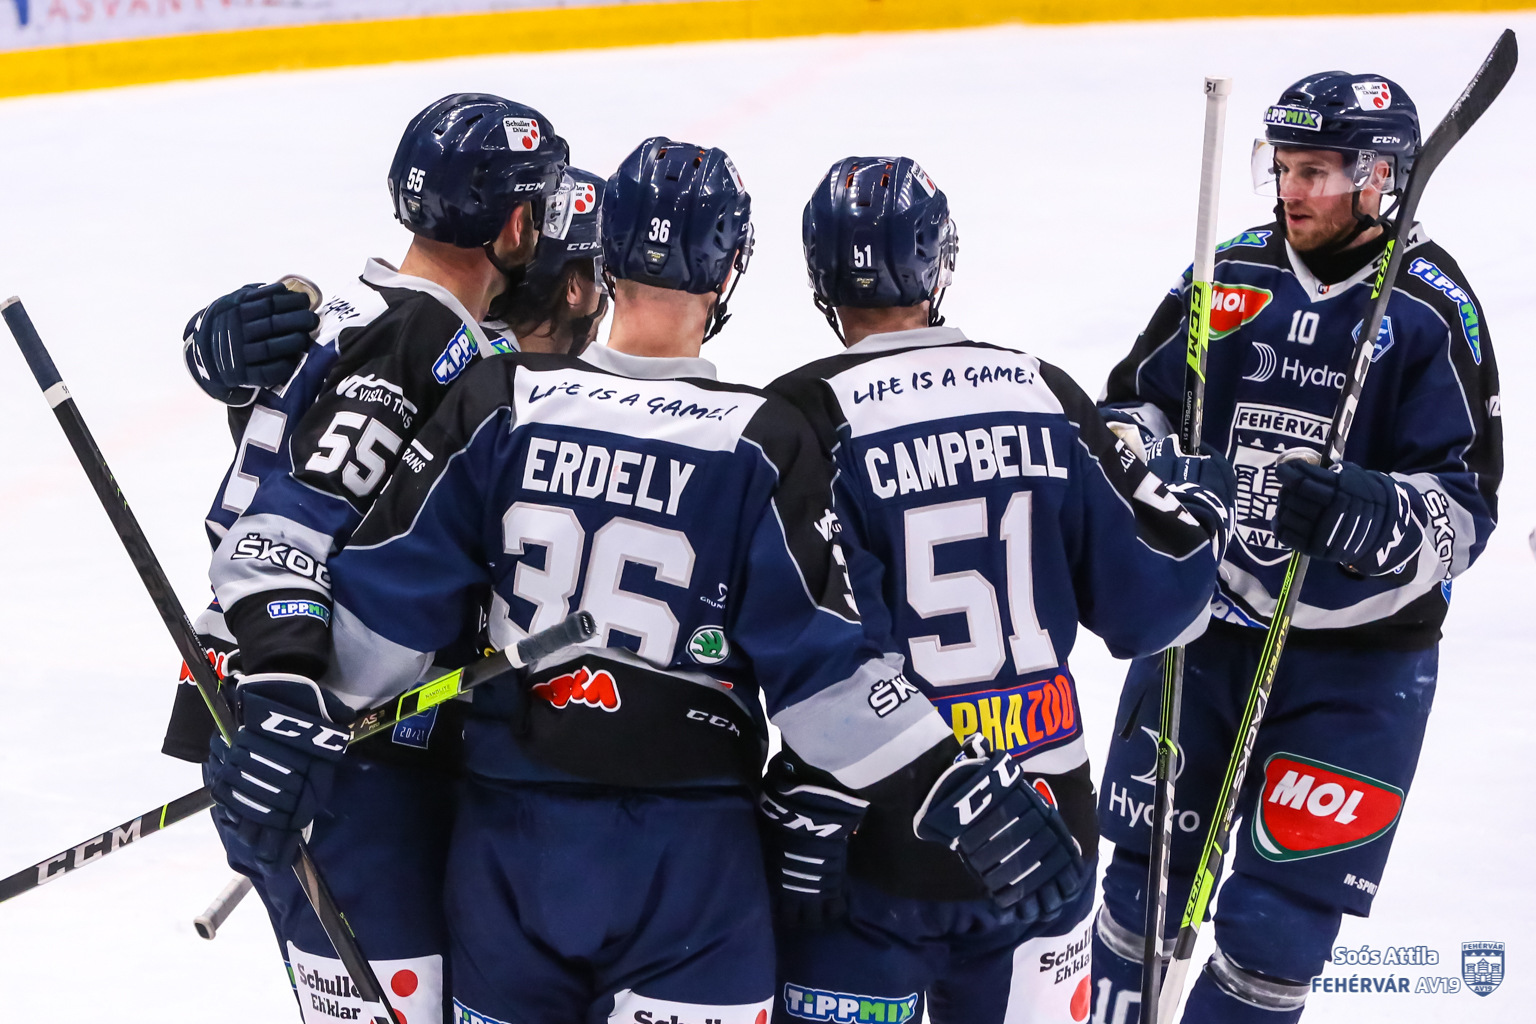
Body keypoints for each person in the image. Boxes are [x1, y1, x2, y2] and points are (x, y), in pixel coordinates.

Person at [205, 135, 1077, 1024]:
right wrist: (950, 780)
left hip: (510, 857)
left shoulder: (505, 399)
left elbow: (388, 607)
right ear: (730, 271)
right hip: (690, 870)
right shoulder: (759, 438)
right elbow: (826, 676)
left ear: (605, 256)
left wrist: (287, 709)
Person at [759, 156, 1236, 1024]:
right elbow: (1158, 605)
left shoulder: (800, 413)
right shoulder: (1039, 389)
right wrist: (1199, 508)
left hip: (875, 829)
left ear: (819, 272)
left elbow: (798, 637)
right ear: (939, 262)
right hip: (1044, 823)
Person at [1089, 72, 1502, 1024]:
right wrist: (1167, 472)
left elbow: (1467, 511)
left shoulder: (1431, 310)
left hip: (1357, 673)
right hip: (1203, 635)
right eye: (1282, 168)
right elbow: (1125, 416)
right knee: (1140, 892)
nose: (1290, 191)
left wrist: (1373, 513)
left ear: (1379, 178)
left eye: (1315, 171)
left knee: (1276, 933)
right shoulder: (1227, 275)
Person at [177, 92, 569, 1024]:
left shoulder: (350, 312)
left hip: (283, 710)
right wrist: (286, 691)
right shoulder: (428, 338)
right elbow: (292, 527)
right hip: (320, 730)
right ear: (515, 221)